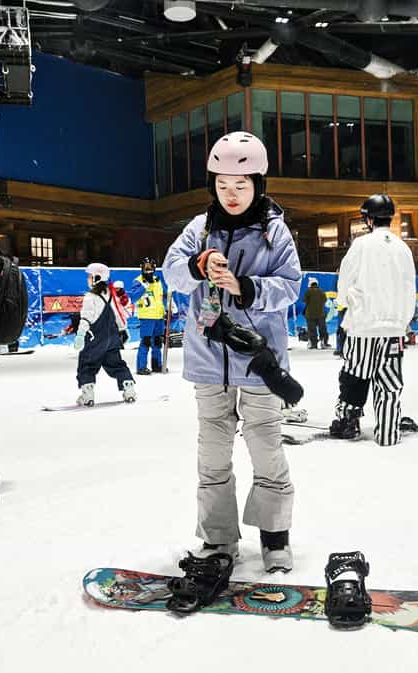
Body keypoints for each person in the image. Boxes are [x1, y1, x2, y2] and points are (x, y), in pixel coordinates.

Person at [162, 131, 301, 573]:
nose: (232, 195)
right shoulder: (197, 230)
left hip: (260, 364)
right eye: (223, 186)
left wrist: (246, 287)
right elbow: (172, 275)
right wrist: (197, 265)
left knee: (266, 450)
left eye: (241, 186)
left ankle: (275, 538)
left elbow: (291, 286)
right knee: (212, 457)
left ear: (259, 184)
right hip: (209, 364)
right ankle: (218, 540)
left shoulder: (275, 233)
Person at [329, 193, 417, 446]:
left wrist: (343, 303)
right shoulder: (403, 248)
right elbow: (410, 286)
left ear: (368, 218)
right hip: (394, 330)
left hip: (363, 327)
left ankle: (347, 421)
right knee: (389, 382)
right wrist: (403, 322)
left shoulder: (361, 245)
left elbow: (344, 279)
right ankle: (389, 432)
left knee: (354, 376)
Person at [73, 262, 136, 407]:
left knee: (87, 365)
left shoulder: (90, 297)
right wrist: (123, 329)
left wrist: (81, 334)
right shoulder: (111, 294)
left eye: (89, 276)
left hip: (95, 338)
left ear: (96, 277)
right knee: (117, 365)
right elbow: (119, 314)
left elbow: (86, 317)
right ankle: (129, 388)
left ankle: (87, 394)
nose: (88, 279)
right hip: (112, 338)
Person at [127, 258, 167, 375]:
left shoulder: (157, 280)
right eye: (146, 267)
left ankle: (157, 365)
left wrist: (170, 306)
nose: (148, 270)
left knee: (157, 341)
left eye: (150, 268)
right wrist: (144, 285)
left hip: (159, 316)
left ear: (154, 268)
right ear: (142, 268)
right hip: (147, 317)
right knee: (146, 341)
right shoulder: (138, 281)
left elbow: (163, 295)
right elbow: (133, 297)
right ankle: (141, 367)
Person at [303, 278, 329, 349]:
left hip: (310, 315)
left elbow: (304, 300)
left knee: (312, 330)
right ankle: (324, 342)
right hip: (321, 314)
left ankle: (313, 344)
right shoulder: (321, 291)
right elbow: (325, 300)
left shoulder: (308, 291)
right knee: (322, 329)